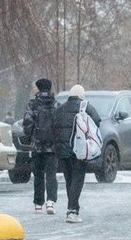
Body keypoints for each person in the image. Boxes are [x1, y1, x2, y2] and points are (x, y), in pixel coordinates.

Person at [53, 84, 100, 223]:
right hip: (79, 150)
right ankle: (72, 210)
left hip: (62, 150)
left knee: (69, 179)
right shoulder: (86, 107)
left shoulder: (59, 109)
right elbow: (97, 122)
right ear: (81, 95)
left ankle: (73, 208)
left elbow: (53, 127)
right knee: (78, 179)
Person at [23, 78, 57, 214]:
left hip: (37, 146)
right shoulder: (56, 104)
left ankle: (38, 203)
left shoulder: (33, 104)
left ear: (38, 88)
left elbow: (27, 122)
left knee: (38, 174)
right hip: (52, 146)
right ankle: (50, 202)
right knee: (51, 174)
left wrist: (29, 139)